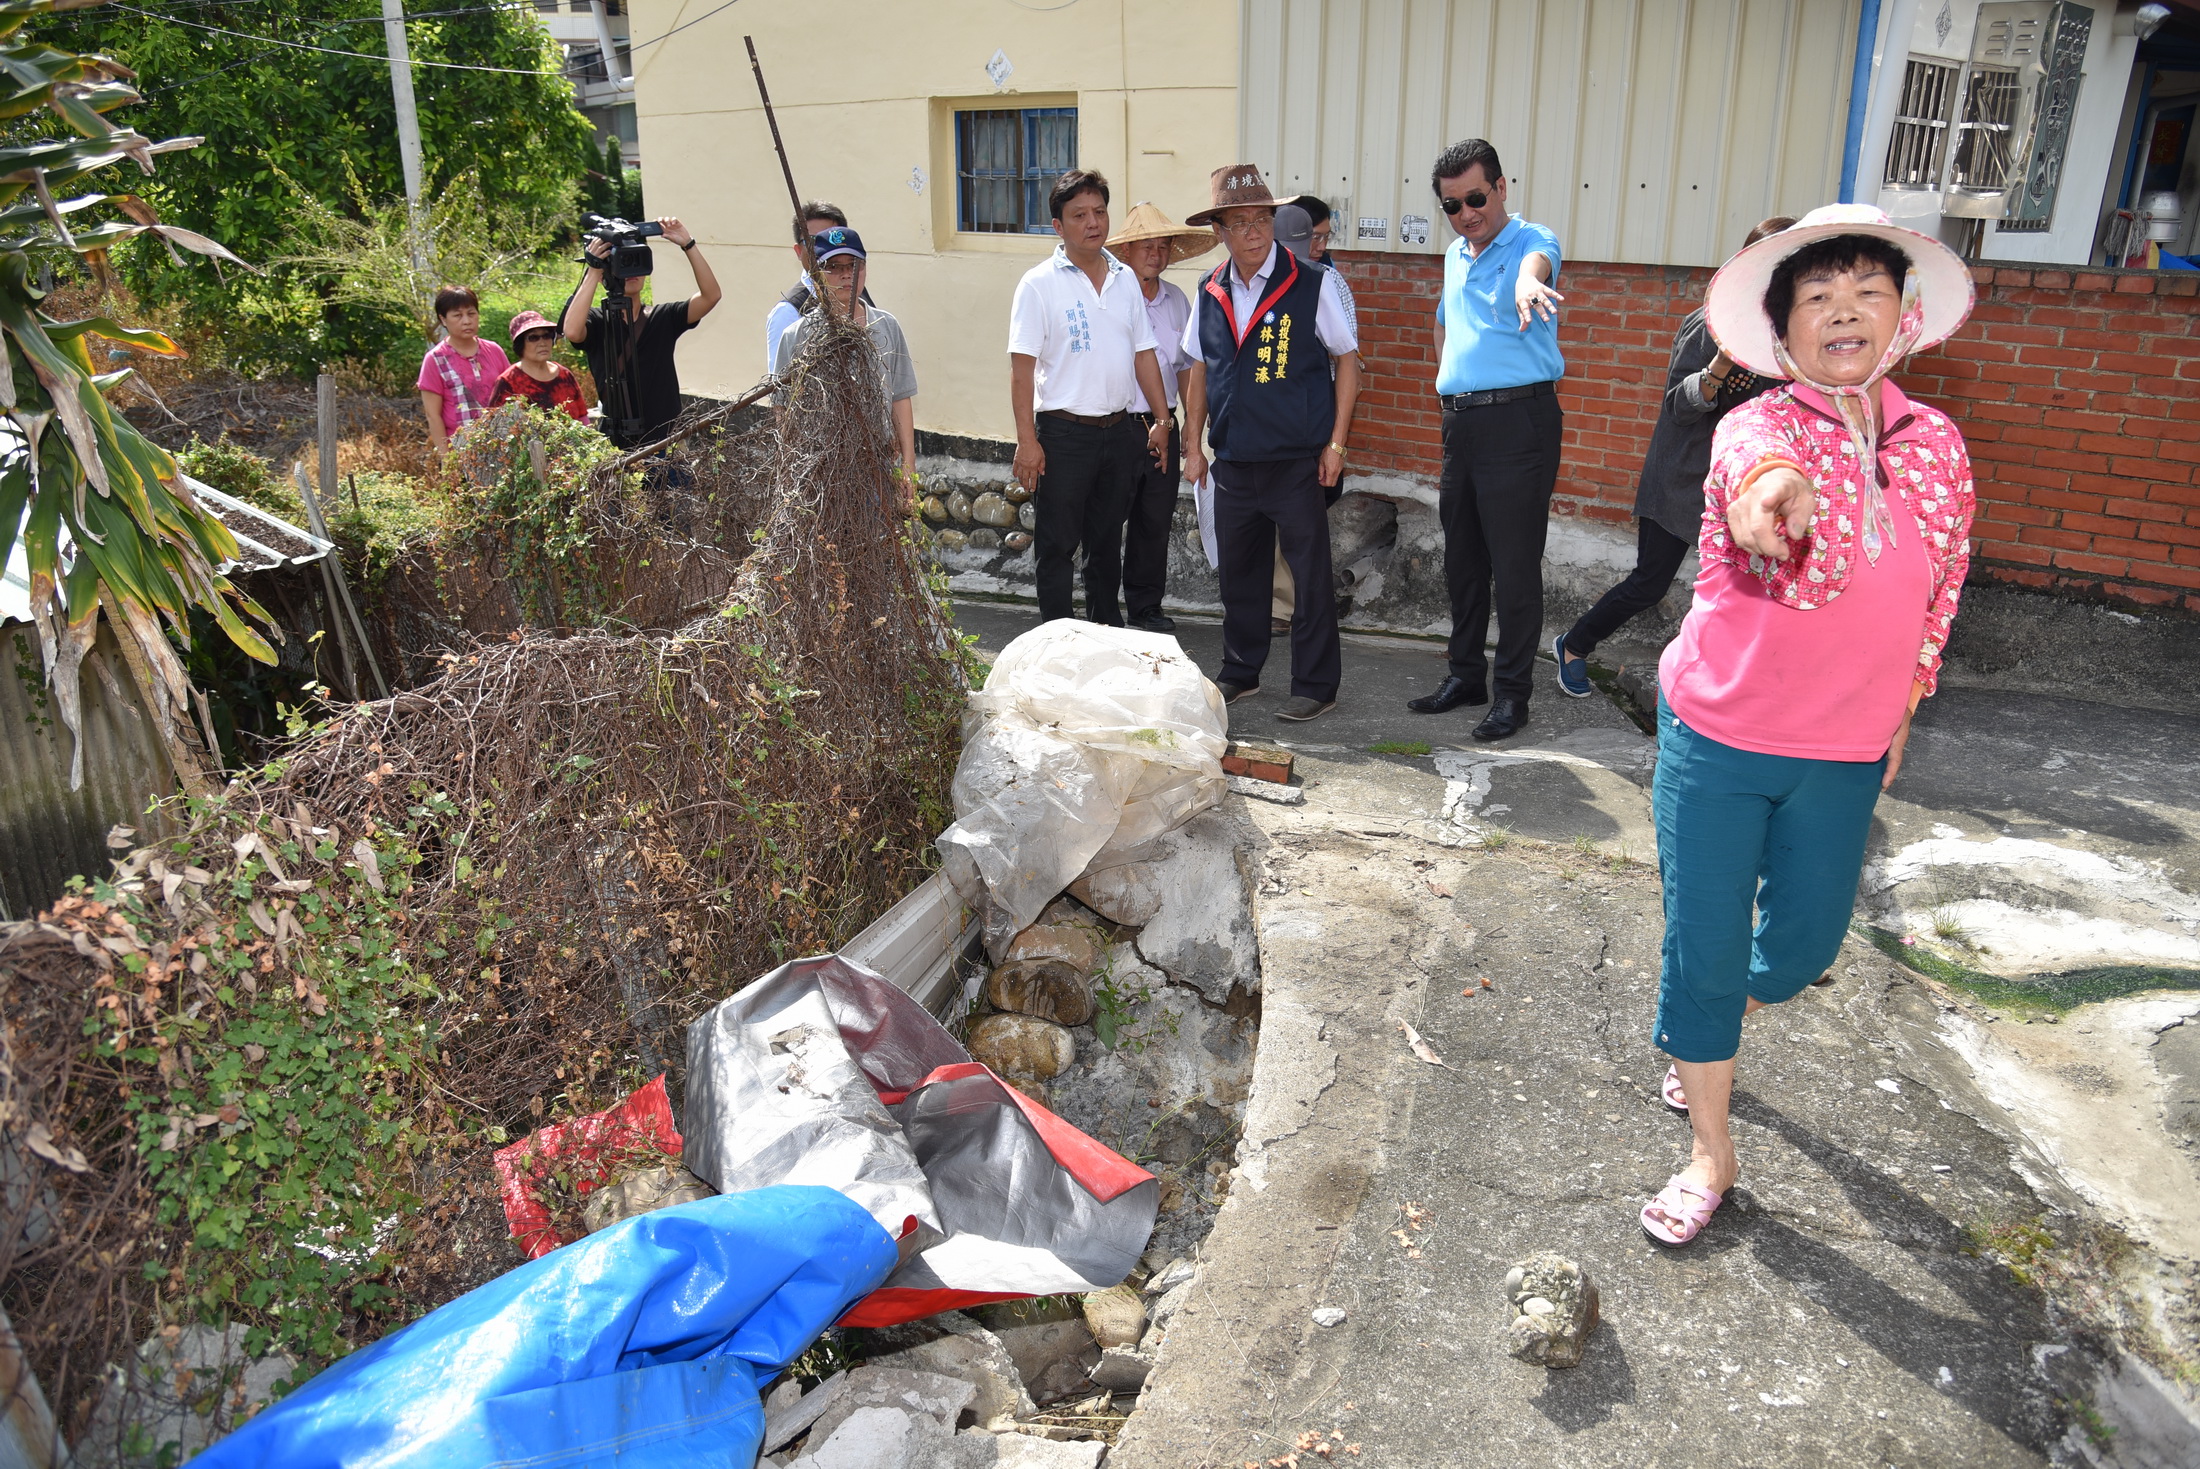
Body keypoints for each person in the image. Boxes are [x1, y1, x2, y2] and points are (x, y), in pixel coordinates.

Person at [1638, 205, 1977, 1248]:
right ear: (1782, 331)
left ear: (1902, 316)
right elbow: (1759, 489)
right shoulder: (1759, 426)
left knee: (1793, 951)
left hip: (1845, 750)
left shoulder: (1938, 447)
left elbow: (1942, 587)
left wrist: (1905, 706)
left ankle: (1712, 1019)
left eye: (1864, 292)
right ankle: (1710, 1146)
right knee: (1702, 947)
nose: (1841, 311)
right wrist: (1771, 502)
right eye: (1816, 296)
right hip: (1720, 737)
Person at [1552, 216, 1795, 696]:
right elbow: (1678, 406)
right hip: (1684, 478)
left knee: (1743, 592)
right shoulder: (1710, 322)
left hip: (1748, 485)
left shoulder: (1791, 334)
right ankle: (1575, 644)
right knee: (1650, 583)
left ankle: (1731, 685)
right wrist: (1720, 366)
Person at [1179, 164, 1362, 724]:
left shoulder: (1311, 282)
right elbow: (1200, 370)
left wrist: (1336, 445)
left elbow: (1347, 361)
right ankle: (1240, 671)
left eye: (1262, 219)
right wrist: (1193, 444)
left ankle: (1315, 683)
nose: (1255, 232)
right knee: (1240, 574)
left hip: (1296, 460)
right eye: (1240, 223)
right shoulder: (1210, 290)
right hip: (1233, 459)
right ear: (1221, 233)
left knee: (1309, 575)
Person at [1406, 138, 1565, 743]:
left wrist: (1528, 285)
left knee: (1514, 565)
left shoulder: (1532, 241)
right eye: (1453, 205)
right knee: (1463, 561)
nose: (1467, 213)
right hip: (1462, 424)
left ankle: (1513, 695)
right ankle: (1465, 675)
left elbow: (1537, 268)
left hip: (1519, 423)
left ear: (1501, 188)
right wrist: (1448, 385)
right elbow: (1445, 323)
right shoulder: (1453, 254)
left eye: (1476, 198)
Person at [1007, 170, 1172, 626]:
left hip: (1119, 432)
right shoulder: (1038, 284)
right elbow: (1021, 372)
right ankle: (1056, 644)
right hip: (1062, 435)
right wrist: (1027, 441)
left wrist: (1161, 419)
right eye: (1079, 215)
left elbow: (1144, 355)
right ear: (1058, 227)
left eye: (1099, 212)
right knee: (1057, 546)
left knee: (1105, 545)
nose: (1092, 222)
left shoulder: (1124, 281)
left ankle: (1105, 637)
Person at [1104, 202, 1211, 634]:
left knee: (1155, 520)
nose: (1156, 253)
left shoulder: (1176, 301)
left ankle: (1146, 606)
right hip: (1116, 425)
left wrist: (1190, 433)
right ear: (1126, 251)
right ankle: (1103, 609)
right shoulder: (1110, 298)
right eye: (1146, 246)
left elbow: (1188, 367)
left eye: (1163, 245)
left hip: (1163, 421)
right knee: (1108, 521)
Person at [1269, 200, 1362, 631]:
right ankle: (1272, 605)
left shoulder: (1329, 284)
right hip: (1266, 406)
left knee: (1303, 511)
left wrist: (1335, 441)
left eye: (1323, 236)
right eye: (1312, 237)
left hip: (1313, 403)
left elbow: (1346, 357)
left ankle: (1295, 608)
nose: (1319, 246)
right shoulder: (1251, 279)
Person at [772, 226, 919, 484]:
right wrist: (791, 470)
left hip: (877, 465)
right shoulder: (797, 335)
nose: (845, 275)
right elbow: (784, 407)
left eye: (854, 266)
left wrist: (908, 466)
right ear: (816, 273)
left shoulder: (886, 326)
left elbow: (900, 396)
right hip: (820, 469)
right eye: (833, 267)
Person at [562, 215, 722, 449]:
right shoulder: (598, 320)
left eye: (634, 260)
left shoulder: (663, 317)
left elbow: (711, 296)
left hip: (667, 441)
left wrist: (688, 244)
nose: (631, 272)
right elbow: (573, 332)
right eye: (622, 263)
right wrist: (594, 269)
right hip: (617, 443)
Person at [765, 201, 876, 373]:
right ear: (798, 251)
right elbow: (782, 386)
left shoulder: (853, 286)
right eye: (813, 241)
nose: (823, 247)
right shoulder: (789, 311)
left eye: (833, 238)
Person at [417, 286, 509, 455]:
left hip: (501, 448)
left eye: (471, 313)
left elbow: (511, 397)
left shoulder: (494, 350)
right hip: (461, 451)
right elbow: (433, 416)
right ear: (443, 319)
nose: (466, 321)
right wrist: (446, 459)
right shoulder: (435, 359)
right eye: (458, 315)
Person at [490, 311, 589, 423]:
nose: (542, 343)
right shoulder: (508, 382)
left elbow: (582, 417)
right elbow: (495, 427)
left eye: (546, 336)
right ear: (520, 343)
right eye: (533, 338)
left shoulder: (564, 375)